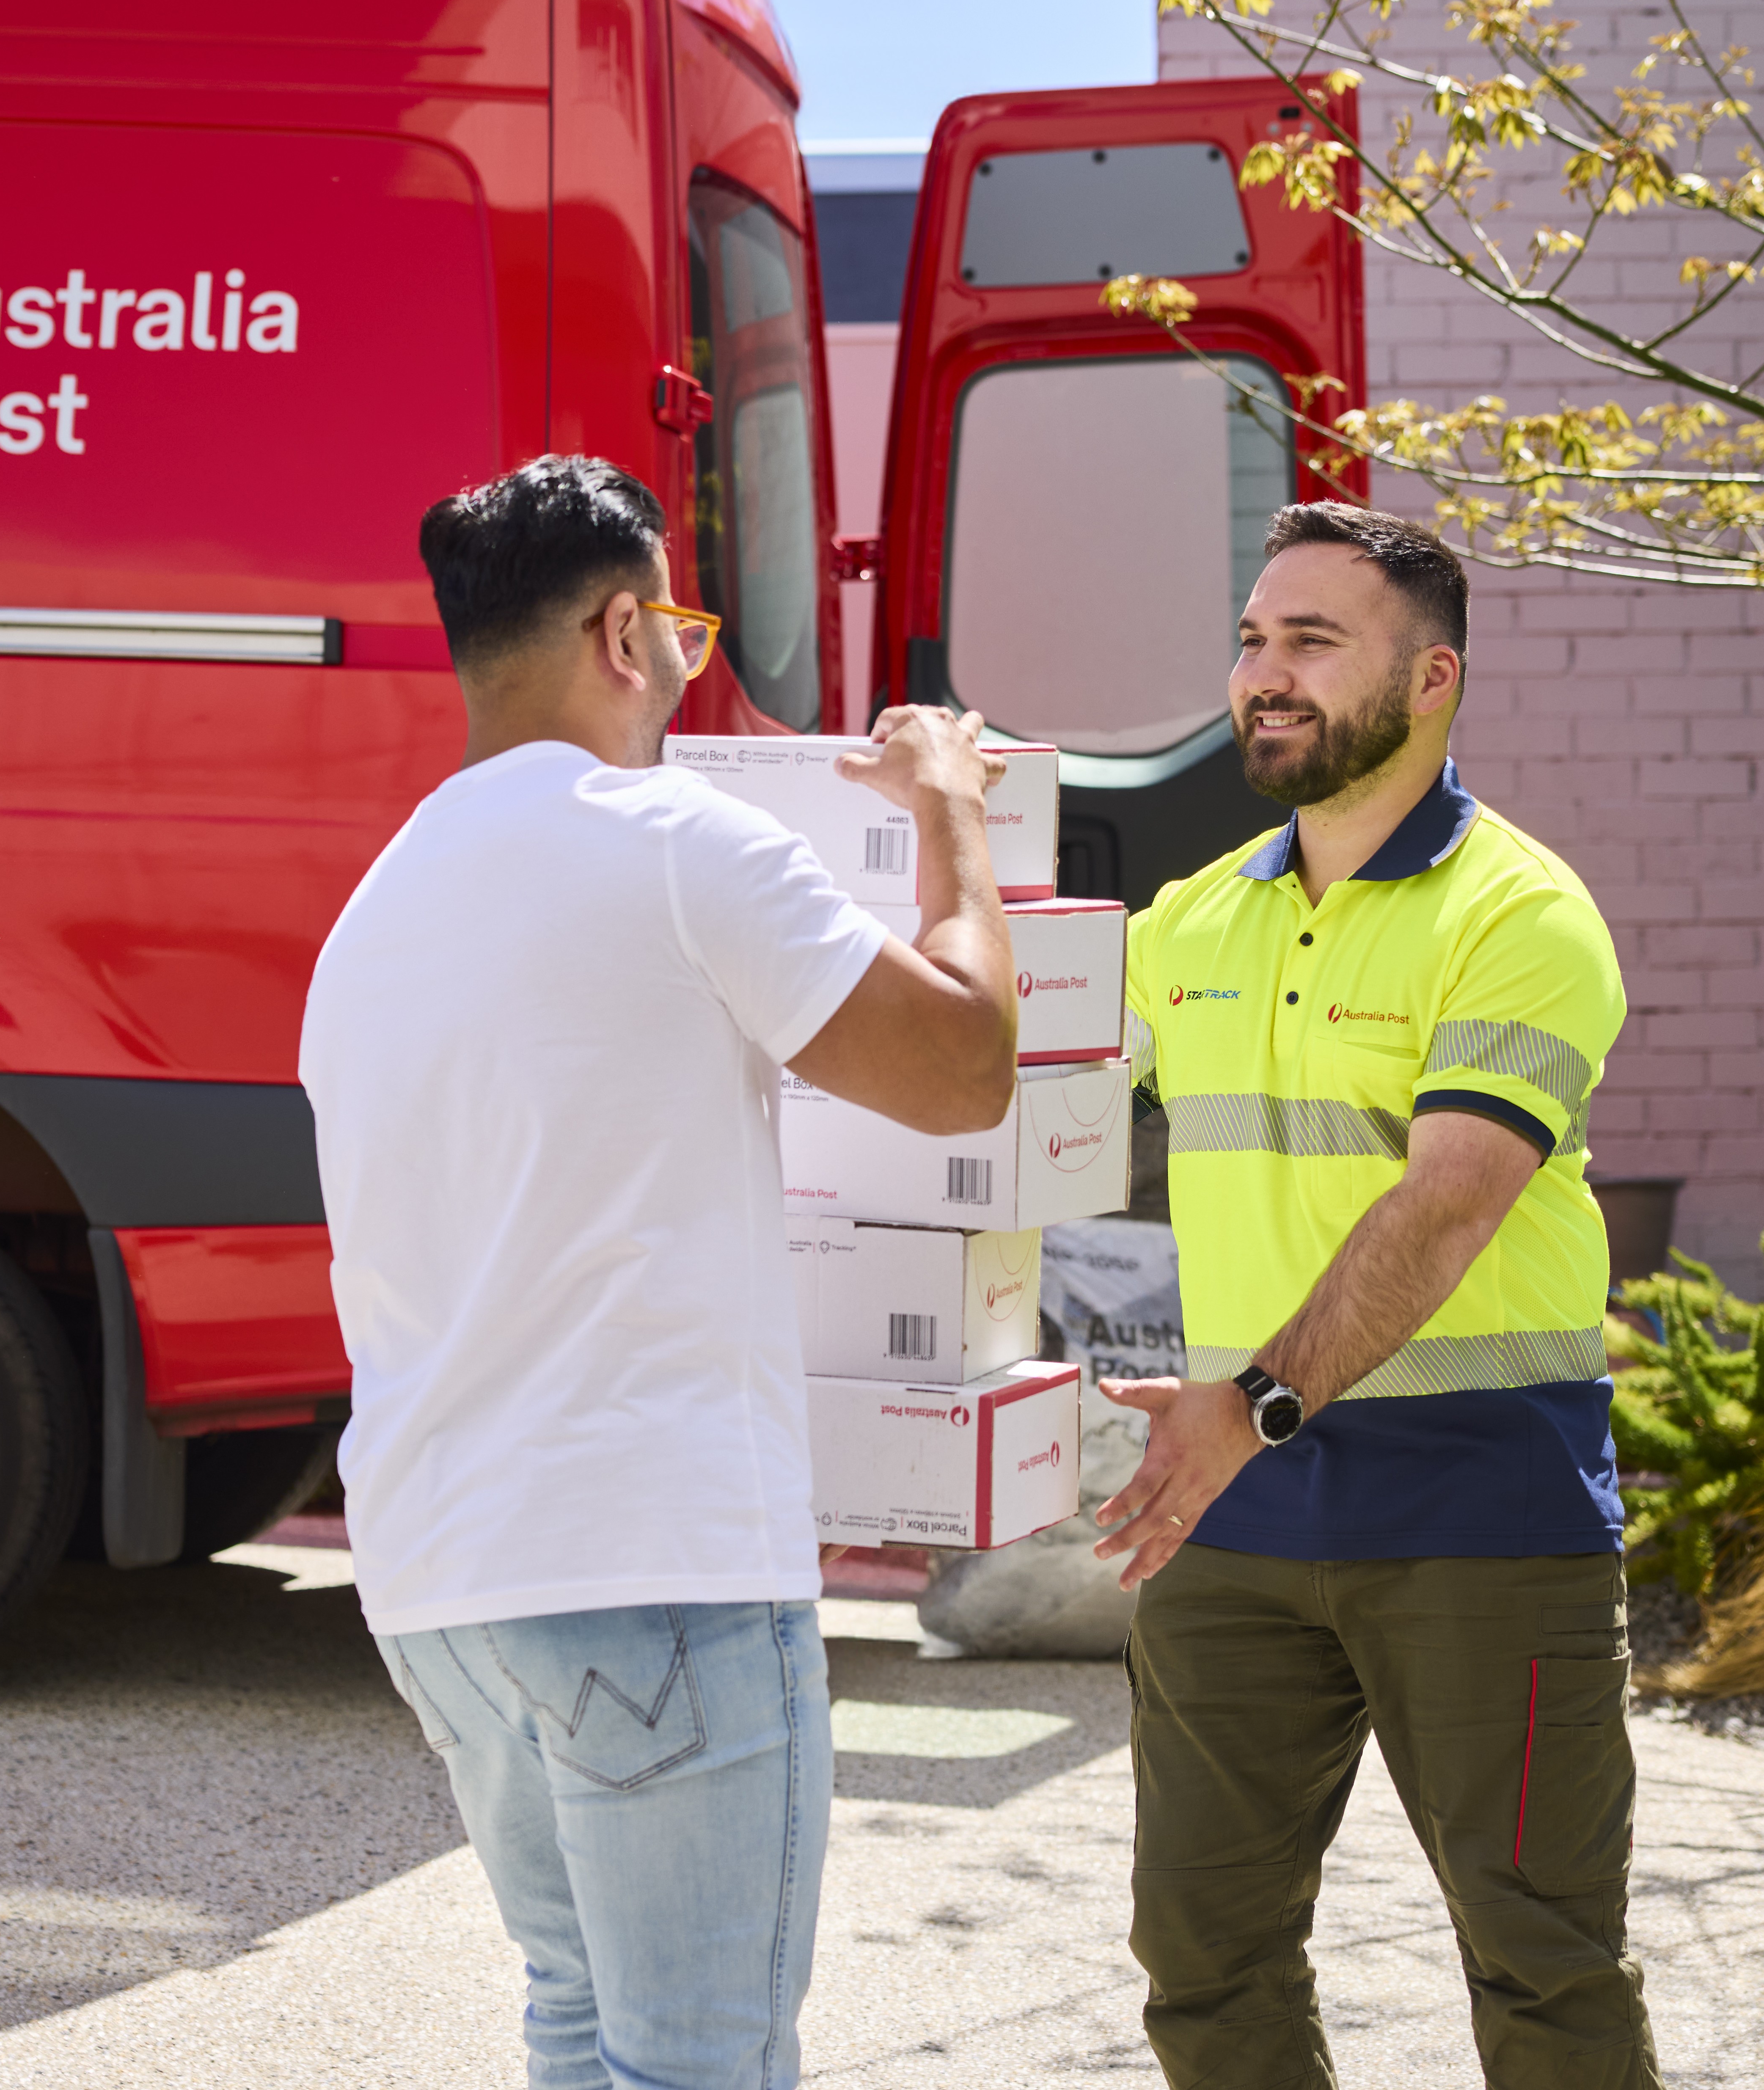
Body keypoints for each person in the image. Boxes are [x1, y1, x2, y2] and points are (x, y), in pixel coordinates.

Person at [299, 455, 1016, 2090]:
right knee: (700, 2060)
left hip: (442, 1578)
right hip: (651, 1556)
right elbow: (965, 1067)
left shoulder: (378, 904)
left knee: (580, 2017)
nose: (687, 662)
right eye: (682, 627)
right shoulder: (679, 843)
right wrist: (951, 810)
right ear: (624, 631)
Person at [1095, 500, 1659, 2088]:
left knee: (1541, 1963)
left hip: (1481, 1521)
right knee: (1202, 1965)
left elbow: (1449, 1199)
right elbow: (1005, 1100)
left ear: (1431, 682)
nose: (1262, 674)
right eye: (1253, 638)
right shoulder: (1193, 918)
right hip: (1236, 1524)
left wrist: (1252, 1406)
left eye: (1312, 642)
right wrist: (939, 833)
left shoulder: (1519, 913)